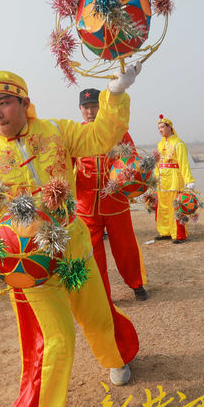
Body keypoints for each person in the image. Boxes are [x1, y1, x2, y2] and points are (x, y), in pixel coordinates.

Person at [0, 66, 141, 407]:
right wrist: (5, 263)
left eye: (5, 102)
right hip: (32, 269)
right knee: (54, 340)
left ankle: (117, 357)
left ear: (24, 103)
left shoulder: (57, 132)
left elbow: (101, 136)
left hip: (74, 247)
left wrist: (115, 92)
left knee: (97, 311)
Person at [75, 88, 149, 301]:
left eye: (94, 106)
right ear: (80, 109)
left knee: (126, 247)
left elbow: (134, 162)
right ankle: (101, 295)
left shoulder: (119, 132)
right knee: (93, 254)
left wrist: (131, 179)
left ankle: (136, 284)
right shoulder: (76, 134)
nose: (90, 111)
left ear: (102, 107)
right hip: (86, 206)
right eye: (86, 107)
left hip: (116, 201)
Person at [154, 114, 195, 243]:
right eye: (158, 128)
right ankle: (165, 232)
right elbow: (157, 163)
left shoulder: (178, 144)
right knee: (163, 207)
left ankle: (179, 234)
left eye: (162, 127)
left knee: (176, 206)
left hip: (174, 179)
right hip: (162, 181)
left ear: (170, 127)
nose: (160, 130)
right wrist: (154, 179)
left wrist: (189, 180)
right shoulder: (160, 144)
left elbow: (184, 163)